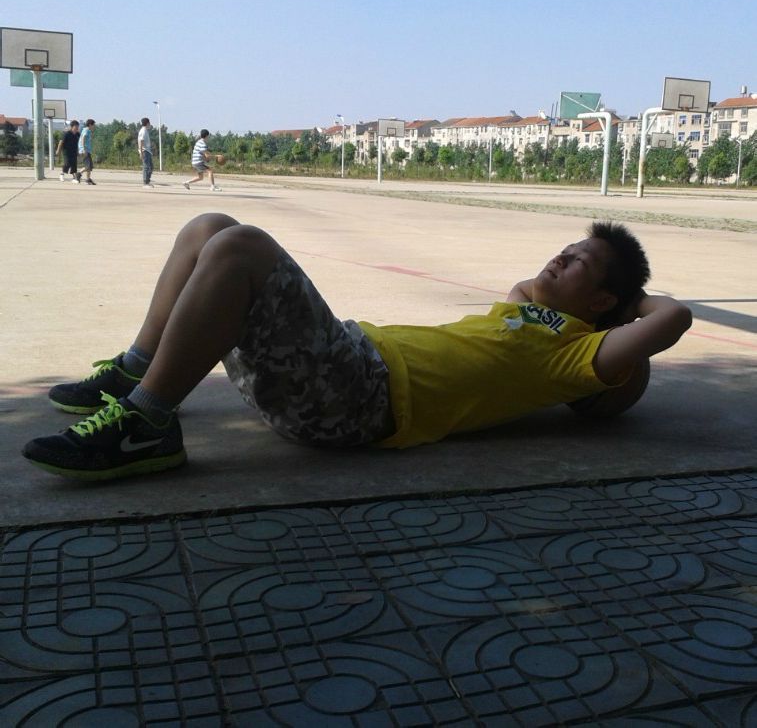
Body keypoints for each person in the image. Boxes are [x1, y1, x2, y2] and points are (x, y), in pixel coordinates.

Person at [22, 214, 692, 481]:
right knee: (210, 227)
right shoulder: (527, 312)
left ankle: (146, 425)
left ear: (603, 303)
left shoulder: (571, 356)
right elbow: (528, 287)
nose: (559, 258)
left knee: (242, 247)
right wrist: (583, 280)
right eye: (564, 249)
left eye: (578, 262)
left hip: (357, 399)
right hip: (341, 364)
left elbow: (673, 319)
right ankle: (136, 374)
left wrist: (629, 306)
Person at [78, 118, 96, 185]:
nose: (94, 126)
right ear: (90, 125)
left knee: (90, 166)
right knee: (88, 166)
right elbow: (83, 138)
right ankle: (80, 175)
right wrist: (84, 149)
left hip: (87, 150)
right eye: (94, 125)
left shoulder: (88, 131)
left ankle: (87, 179)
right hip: (85, 150)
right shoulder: (86, 130)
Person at [138, 117, 154, 187]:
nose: (150, 124)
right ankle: (145, 183)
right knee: (146, 167)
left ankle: (147, 181)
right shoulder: (143, 131)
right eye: (149, 123)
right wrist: (141, 153)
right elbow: (141, 142)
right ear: (147, 123)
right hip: (145, 151)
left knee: (151, 167)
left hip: (147, 151)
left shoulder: (145, 130)